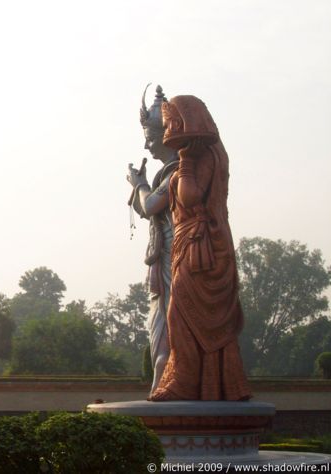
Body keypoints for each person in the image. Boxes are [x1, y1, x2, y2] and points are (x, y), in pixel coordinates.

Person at [149, 95, 251, 401]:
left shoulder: (203, 156)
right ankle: (208, 385)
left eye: (169, 125)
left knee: (179, 314)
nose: (168, 132)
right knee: (188, 316)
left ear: (187, 121)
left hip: (202, 250)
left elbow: (191, 197)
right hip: (195, 245)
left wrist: (188, 162)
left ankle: (184, 381)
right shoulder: (210, 155)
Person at [127, 85, 179, 397]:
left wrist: (140, 184)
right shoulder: (165, 175)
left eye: (151, 137)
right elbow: (147, 209)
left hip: (178, 258)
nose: (147, 146)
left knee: (171, 319)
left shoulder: (178, 173)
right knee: (159, 318)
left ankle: (168, 378)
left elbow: (150, 206)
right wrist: (139, 186)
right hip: (163, 260)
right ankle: (160, 381)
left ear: (167, 135)